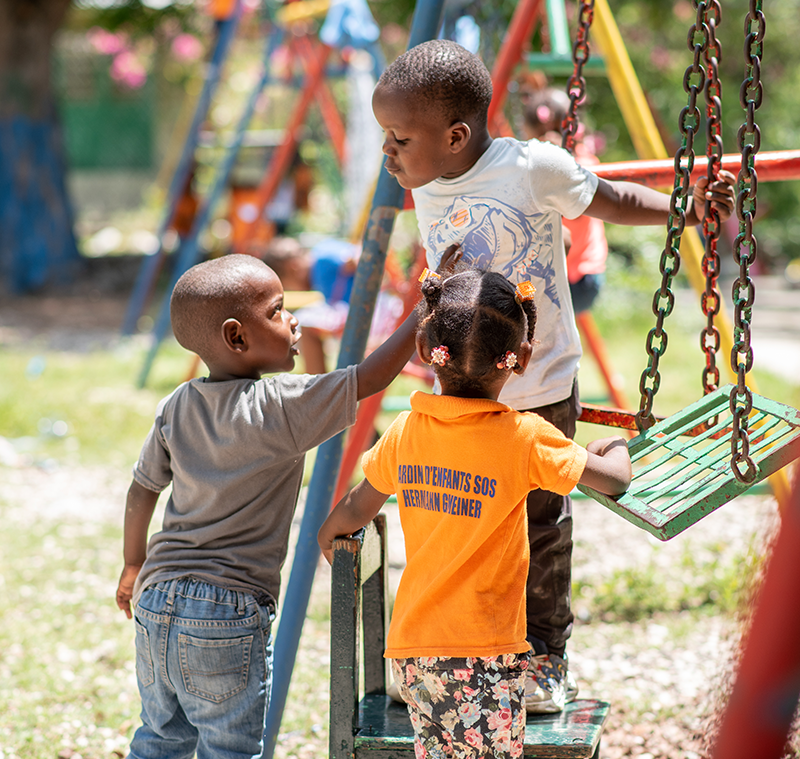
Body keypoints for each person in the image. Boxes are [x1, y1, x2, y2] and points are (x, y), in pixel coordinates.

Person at [370, 38, 736, 714]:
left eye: (397, 139)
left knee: (541, 524)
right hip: (459, 385)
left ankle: (544, 656)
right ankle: (450, 652)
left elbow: (610, 198)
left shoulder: (531, 167)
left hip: (535, 384)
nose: (387, 154)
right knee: (460, 518)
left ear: (455, 136)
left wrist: (682, 212)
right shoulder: (424, 179)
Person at [115, 253, 419, 759]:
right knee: (230, 748)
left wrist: (132, 563)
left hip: (155, 598)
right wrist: (422, 315)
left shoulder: (177, 404)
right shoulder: (282, 407)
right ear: (237, 337)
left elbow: (142, 488)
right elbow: (369, 378)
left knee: (160, 738)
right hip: (227, 611)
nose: (293, 319)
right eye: (278, 311)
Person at [318, 266, 632, 757]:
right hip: (486, 650)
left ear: (424, 352)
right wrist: (615, 444)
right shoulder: (525, 438)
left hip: (414, 654)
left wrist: (333, 544)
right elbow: (613, 482)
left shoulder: (404, 432)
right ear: (522, 358)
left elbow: (348, 515)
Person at [519, 84, 606, 314]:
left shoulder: (584, 165)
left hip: (580, 278)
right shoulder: (534, 170)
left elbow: (575, 213)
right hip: (560, 274)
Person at [263, 236, 403, 374]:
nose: (294, 290)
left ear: (293, 267)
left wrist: (353, 261)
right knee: (308, 320)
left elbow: (366, 255)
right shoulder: (320, 279)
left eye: (287, 286)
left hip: (380, 313)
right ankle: (324, 387)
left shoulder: (322, 257)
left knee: (304, 322)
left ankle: (321, 389)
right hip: (368, 317)